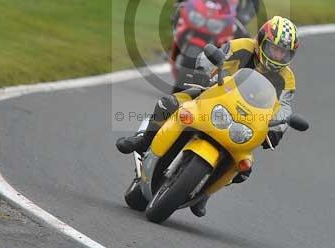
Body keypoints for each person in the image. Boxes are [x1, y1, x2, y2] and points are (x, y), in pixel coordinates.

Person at [116, 16, 299, 217]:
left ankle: (204, 193)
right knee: (167, 104)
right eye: (275, 49)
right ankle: (143, 141)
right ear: (261, 42)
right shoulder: (241, 46)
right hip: (213, 95)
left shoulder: (287, 79)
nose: (278, 56)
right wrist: (204, 74)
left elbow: (284, 108)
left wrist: (276, 130)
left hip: (247, 119)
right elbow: (211, 57)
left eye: (284, 52)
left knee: (244, 169)